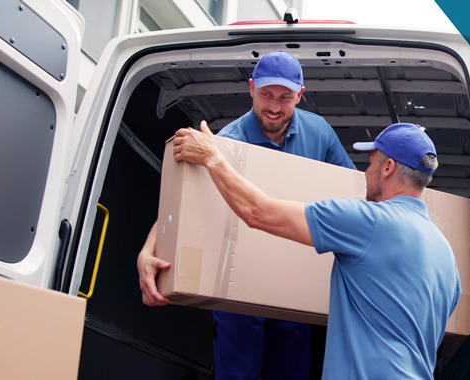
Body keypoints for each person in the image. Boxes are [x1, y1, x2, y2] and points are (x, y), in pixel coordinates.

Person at [171, 122, 462, 379]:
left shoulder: (367, 221)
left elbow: (257, 212)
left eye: (371, 162)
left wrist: (212, 157)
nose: (365, 173)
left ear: (388, 168)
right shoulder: (446, 255)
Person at [137, 51, 356, 379]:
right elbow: (181, 202)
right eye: (266, 94)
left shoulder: (319, 134)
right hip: (238, 285)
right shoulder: (226, 143)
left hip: (292, 282)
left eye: (285, 98)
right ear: (251, 87)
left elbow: (352, 191)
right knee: (239, 373)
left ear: (300, 94)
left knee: (290, 373)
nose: (274, 107)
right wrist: (147, 251)